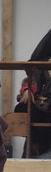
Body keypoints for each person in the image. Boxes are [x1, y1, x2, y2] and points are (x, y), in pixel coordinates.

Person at [15, 29, 51, 157]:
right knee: (22, 108)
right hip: (42, 107)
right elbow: (32, 79)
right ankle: (35, 149)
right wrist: (28, 89)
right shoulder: (44, 61)